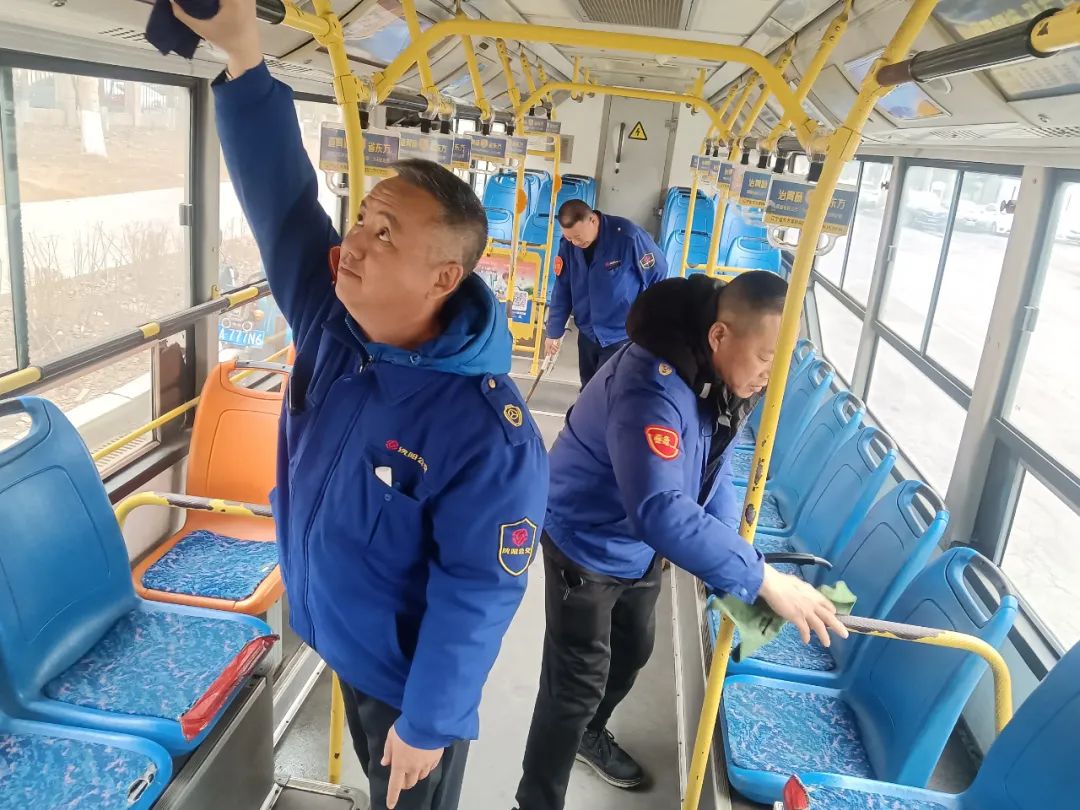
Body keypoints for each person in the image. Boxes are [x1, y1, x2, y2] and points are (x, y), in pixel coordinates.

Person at [170, 3, 549, 809]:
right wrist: (244, 56)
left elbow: (478, 589)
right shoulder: (333, 320)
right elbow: (284, 204)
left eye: (385, 236)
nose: (353, 245)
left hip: (406, 687)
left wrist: (430, 720)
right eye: (363, 220)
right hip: (333, 630)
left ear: (443, 279)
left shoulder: (488, 436)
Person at [514, 271, 847, 810]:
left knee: (633, 651)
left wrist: (734, 556)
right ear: (719, 335)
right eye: (766, 359)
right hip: (586, 538)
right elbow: (659, 509)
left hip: (639, 546)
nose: (772, 376)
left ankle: (589, 735)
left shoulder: (717, 373)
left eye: (782, 362)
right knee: (573, 685)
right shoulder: (651, 386)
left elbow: (714, 467)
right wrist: (759, 575)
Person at [544, 200, 667, 388]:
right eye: (569, 238)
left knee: (608, 391)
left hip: (620, 335)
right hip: (588, 333)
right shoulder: (568, 245)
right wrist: (554, 332)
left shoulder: (627, 236)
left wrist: (645, 323)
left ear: (592, 220)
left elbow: (657, 275)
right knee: (588, 389)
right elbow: (562, 289)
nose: (575, 243)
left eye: (578, 237)